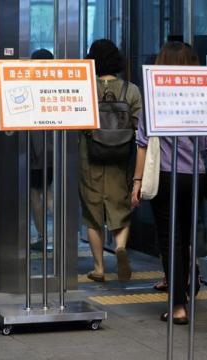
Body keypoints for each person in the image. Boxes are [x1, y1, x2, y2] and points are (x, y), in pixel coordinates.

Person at [131, 42, 207, 324]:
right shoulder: (203, 98)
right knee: (187, 235)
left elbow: (143, 144)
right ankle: (190, 274)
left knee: (170, 240)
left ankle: (179, 306)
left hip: (165, 177)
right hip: (194, 177)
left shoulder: (156, 98)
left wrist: (136, 181)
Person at [80, 39, 142, 282]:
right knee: (120, 206)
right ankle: (120, 246)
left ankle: (99, 268)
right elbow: (139, 127)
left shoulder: (84, 87)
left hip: (90, 155)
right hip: (121, 155)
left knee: (93, 213)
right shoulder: (131, 89)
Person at [29, 49, 55, 251]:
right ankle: (60, 235)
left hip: (34, 153)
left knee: (35, 194)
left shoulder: (28, 87)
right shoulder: (57, 87)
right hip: (53, 152)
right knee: (48, 193)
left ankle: (43, 237)